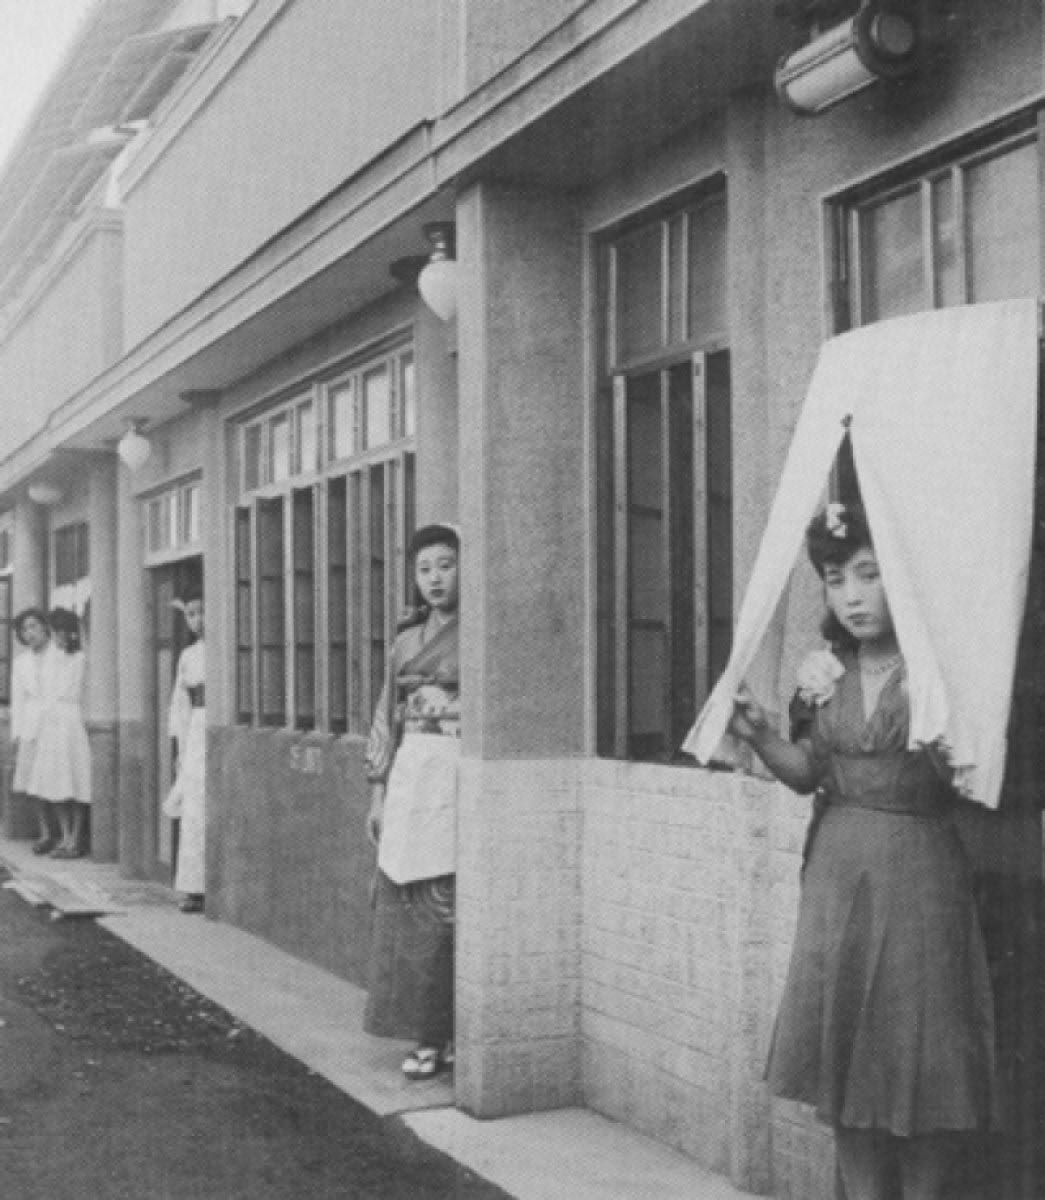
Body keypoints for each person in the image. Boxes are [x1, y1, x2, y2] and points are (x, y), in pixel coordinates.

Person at [727, 501, 998, 1200]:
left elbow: (974, 785)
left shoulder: (940, 672)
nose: (850, 595)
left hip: (919, 878)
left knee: (920, 1053)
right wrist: (759, 733)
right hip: (836, 881)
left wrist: (950, 750)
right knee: (846, 1062)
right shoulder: (827, 674)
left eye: (867, 575)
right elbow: (807, 774)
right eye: (833, 578)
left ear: (899, 577)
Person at [363, 523, 460, 1080]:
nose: (435, 579)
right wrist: (377, 791)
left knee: (447, 908)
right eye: (425, 569)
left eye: (446, 565)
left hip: (455, 773)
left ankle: (447, 1032)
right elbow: (386, 717)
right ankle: (423, 1032)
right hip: (410, 777)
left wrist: (447, 705)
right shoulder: (405, 641)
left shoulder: (477, 634)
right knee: (407, 908)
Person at [11, 607, 92, 858]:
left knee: (66, 780)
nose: (30, 633)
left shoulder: (62, 656)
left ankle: (70, 839)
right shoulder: (22, 662)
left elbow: (74, 690)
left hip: (62, 722)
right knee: (36, 782)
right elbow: (19, 698)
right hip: (36, 723)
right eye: (24, 629)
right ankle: (48, 834)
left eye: (34, 626)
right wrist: (18, 731)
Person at [164, 593, 206, 914]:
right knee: (194, 807)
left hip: (213, 725)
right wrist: (181, 745)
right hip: (196, 731)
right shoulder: (188, 656)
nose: (197, 620)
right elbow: (180, 704)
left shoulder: (223, 651)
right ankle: (193, 886)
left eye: (203, 612)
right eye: (191, 614)